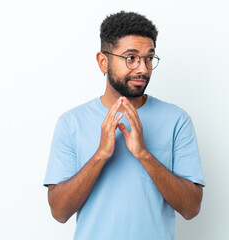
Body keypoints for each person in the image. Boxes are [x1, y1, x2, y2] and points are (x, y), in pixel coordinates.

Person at [44, 11, 205, 240]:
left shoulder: (177, 120)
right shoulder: (71, 123)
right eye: (131, 58)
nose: (142, 68)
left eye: (149, 58)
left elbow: (191, 208)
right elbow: (59, 212)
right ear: (103, 61)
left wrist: (144, 155)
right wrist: (100, 155)